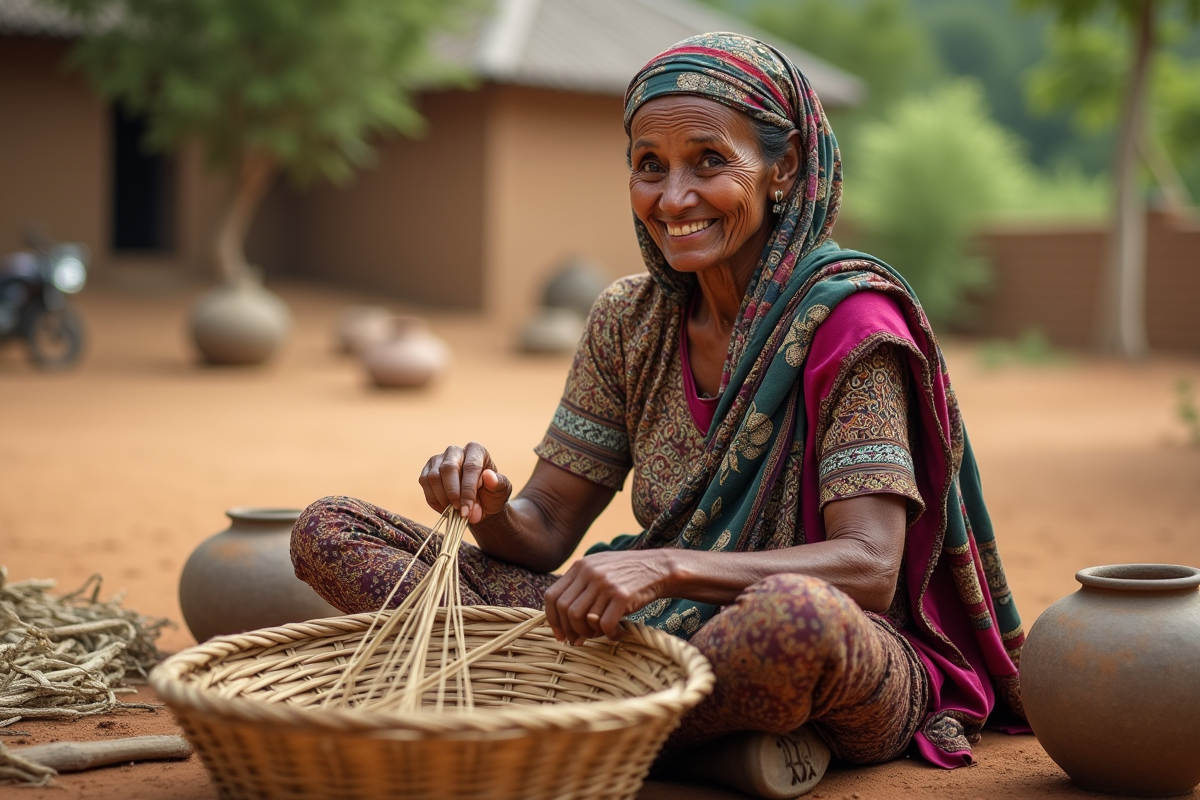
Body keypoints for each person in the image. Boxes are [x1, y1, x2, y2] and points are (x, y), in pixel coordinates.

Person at [291, 31, 1027, 799]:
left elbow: (869, 569)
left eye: (709, 161)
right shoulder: (627, 320)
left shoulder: (850, 327)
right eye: (651, 166)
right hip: (637, 636)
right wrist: (493, 507)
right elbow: (544, 531)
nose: (673, 198)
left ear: (784, 169)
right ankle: (700, 745)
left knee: (794, 622)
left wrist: (665, 565)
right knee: (330, 529)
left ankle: (553, 722)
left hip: (832, 648)